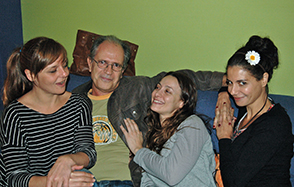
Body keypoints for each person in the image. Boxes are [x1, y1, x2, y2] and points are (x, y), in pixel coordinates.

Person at [72, 35, 225, 186]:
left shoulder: (136, 88)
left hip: (124, 182)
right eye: (103, 62)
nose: (108, 71)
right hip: (81, 179)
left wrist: (228, 84)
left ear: (123, 70)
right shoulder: (71, 100)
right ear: (90, 63)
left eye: (116, 65)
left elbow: (183, 79)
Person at [0, 37, 97, 187]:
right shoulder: (15, 115)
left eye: (64, 65)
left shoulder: (79, 104)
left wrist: (69, 159)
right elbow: (15, 178)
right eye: (53, 71)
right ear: (31, 75)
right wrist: (57, 182)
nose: (64, 74)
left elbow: (88, 153)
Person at [214, 35, 294, 187]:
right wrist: (223, 92)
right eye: (231, 83)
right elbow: (223, 79)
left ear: (264, 79)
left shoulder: (275, 124)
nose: (234, 91)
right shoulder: (245, 106)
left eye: (242, 83)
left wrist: (224, 137)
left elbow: (233, 183)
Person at [120, 71, 217, 186]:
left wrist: (138, 150)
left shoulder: (193, 125)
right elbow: (148, 180)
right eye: (158, 87)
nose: (157, 94)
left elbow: (171, 175)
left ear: (182, 102)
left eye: (167, 91)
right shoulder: (153, 133)